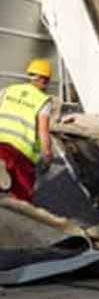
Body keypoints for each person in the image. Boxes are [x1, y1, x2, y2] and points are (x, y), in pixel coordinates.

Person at [0, 59, 54, 202]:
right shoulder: (43, 100)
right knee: (23, 194)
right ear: (44, 79)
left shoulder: (8, 90)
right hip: (21, 151)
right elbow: (43, 131)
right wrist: (47, 155)